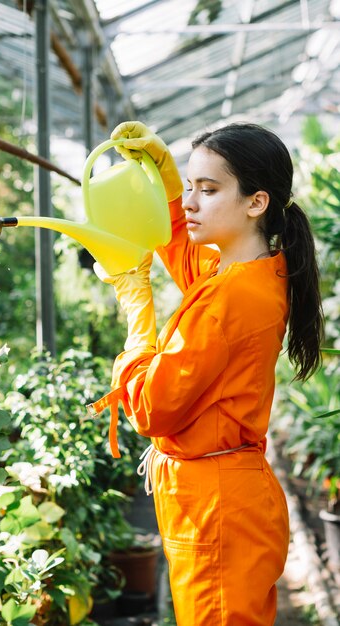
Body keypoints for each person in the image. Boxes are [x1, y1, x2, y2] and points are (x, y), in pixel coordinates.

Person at [88, 121, 324, 625]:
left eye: (209, 189)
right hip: (226, 496)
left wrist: (136, 308)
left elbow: (151, 408)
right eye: (191, 188)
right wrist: (168, 175)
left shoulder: (230, 296)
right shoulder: (253, 270)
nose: (192, 203)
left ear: (256, 202)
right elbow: (184, 247)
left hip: (215, 506)